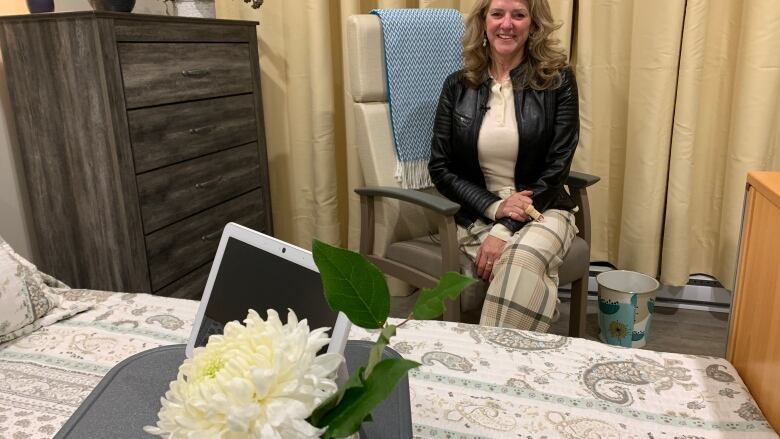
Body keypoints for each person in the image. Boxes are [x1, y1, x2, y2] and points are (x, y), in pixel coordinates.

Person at [428, 0, 579, 332]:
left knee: (519, 258)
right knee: (525, 269)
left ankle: (486, 372)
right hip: (478, 214)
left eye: (519, 14)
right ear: (484, 22)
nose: (506, 24)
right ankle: (522, 362)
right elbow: (440, 167)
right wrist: (496, 208)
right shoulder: (457, 86)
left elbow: (558, 166)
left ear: (533, 25)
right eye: (497, 14)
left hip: (546, 208)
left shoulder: (558, 81)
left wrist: (504, 229)